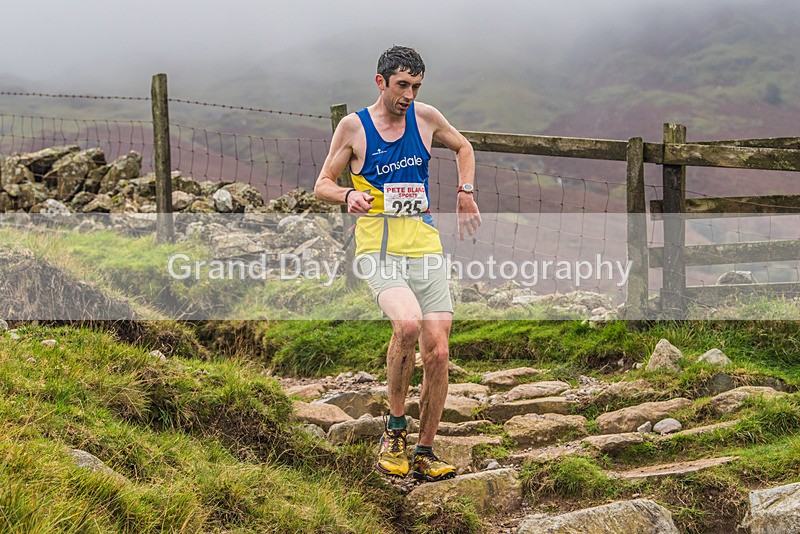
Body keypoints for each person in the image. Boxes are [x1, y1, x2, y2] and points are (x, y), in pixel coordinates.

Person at [314, 45, 481, 482]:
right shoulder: (354, 127)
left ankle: (424, 450)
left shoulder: (425, 118)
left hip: (424, 245)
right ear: (381, 82)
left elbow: (463, 146)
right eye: (402, 85)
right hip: (378, 248)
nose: (409, 95)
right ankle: (394, 430)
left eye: (416, 86)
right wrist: (347, 194)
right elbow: (322, 185)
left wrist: (465, 191)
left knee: (440, 351)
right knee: (406, 325)